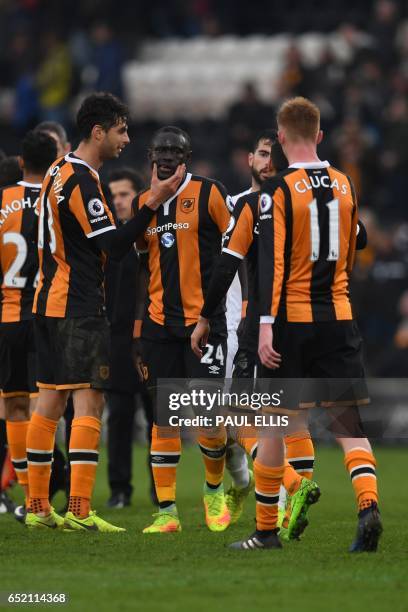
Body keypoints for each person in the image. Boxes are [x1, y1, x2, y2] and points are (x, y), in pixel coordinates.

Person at [26, 92, 185, 532]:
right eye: (121, 130)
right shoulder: (80, 179)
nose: (127, 140)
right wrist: (152, 201)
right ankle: (78, 508)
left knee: (50, 403)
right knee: (89, 402)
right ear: (98, 131)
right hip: (78, 306)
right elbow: (113, 247)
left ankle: (38, 508)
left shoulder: (55, 172)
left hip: (47, 302)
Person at [257, 96, 381, 553]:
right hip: (339, 314)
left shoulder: (279, 191)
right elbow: (352, 252)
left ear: (282, 137)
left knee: (275, 423)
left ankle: (266, 530)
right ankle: (368, 507)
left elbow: (271, 265)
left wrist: (266, 325)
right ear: (321, 136)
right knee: (349, 423)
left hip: (292, 320)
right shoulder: (346, 184)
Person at [134, 126, 231, 534]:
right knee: (164, 420)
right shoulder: (145, 202)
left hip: (203, 325)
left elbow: (237, 244)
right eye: (161, 151)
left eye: (175, 151)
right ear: (152, 157)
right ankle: (168, 512)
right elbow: (139, 255)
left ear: (186, 158)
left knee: (209, 419)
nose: (167, 157)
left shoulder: (209, 193)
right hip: (159, 325)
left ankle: (213, 491)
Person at [0, 130, 58, 517]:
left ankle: (25, 495)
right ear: (54, 162)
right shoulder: (58, 199)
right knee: (46, 408)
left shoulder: (1, 201)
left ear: (21, 162)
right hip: (47, 315)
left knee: (14, 407)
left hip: (7, 317)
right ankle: (38, 498)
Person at [104, 167, 155, 508]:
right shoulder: (108, 240)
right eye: (113, 195)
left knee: (158, 418)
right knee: (119, 416)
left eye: (124, 194)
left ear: (139, 196)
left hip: (152, 339)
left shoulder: (154, 235)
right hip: (118, 342)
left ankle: (160, 489)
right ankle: (119, 490)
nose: (117, 201)